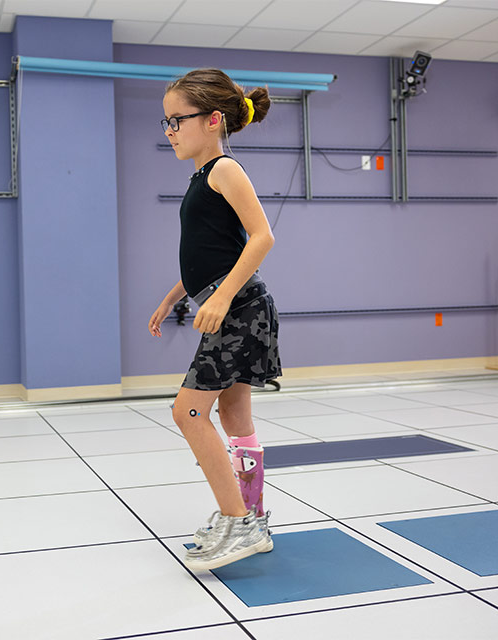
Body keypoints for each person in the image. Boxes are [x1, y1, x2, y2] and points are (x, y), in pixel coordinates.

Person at [148, 68, 282, 572]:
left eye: (177, 120)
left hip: (241, 310)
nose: (170, 130)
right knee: (234, 419)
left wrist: (221, 299)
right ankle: (251, 517)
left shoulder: (226, 170)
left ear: (212, 120)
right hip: (234, 307)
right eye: (166, 122)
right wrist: (173, 296)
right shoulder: (201, 178)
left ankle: (239, 519)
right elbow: (210, 255)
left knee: (188, 412)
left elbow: (262, 237)